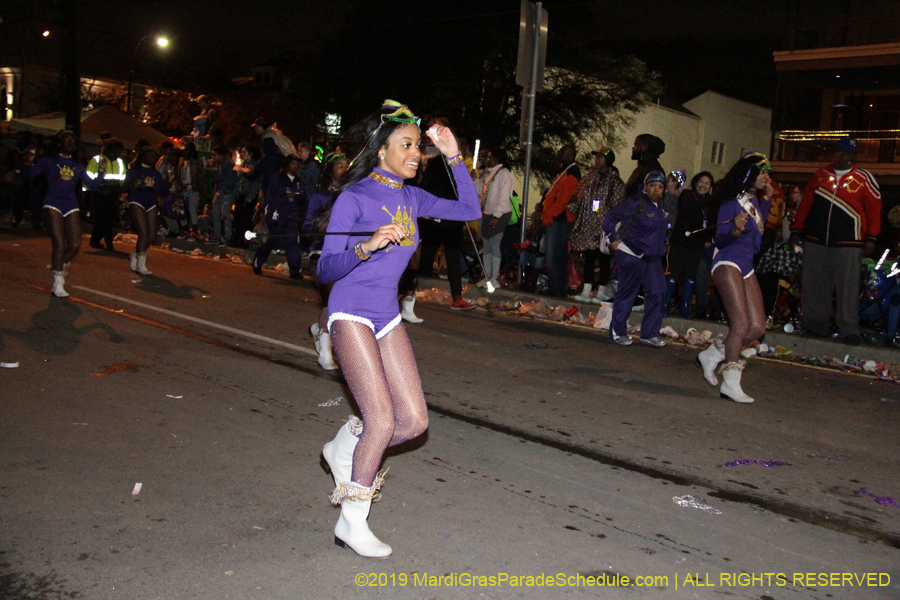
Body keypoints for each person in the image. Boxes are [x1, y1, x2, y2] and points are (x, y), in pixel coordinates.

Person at [317, 101, 480, 558]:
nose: (415, 153)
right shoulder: (355, 198)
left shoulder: (413, 197)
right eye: (406, 145)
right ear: (381, 150)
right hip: (349, 311)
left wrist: (452, 155)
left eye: (418, 147)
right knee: (382, 419)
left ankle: (342, 445)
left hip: (385, 314)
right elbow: (326, 269)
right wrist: (366, 246)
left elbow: (469, 207)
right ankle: (352, 522)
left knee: (413, 421)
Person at [696, 153, 773, 404]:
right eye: (762, 172)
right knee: (739, 325)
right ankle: (730, 383)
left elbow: (758, 242)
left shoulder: (754, 201)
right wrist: (735, 230)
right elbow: (720, 239)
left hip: (746, 266)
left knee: (757, 328)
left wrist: (768, 201)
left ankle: (712, 354)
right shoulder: (731, 201)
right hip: (727, 262)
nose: (766, 176)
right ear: (749, 174)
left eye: (767, 172)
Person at [789, 137, 881, 345]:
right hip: (816, 239)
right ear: (837, 153)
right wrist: (796, 230)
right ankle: (815, 326)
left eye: (853, 155)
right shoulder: (820, 176)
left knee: (847, 287)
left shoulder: (864, 178)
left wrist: (871, 238)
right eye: (846, 153)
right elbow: (806, 205)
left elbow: (874, 209)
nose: (849, 158)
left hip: (850, 243)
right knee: (814, 285)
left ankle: (849, 329)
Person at [22, 130, 107, 297]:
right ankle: (58, 282)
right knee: (59, 243)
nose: (70, 144)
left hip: (70, 204)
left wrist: (101, 171)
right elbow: (28, 176)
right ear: (59, 143)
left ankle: (61, 263)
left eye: (72, 141)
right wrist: (29, 161)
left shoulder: (77, 165)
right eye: (67, 141)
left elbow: (92, 186)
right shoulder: (49, 160)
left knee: (75, 244)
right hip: (52, 203)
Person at [602, 171, 670, 347]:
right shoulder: (636, 203)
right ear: (645, 187)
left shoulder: (660, 208)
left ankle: (649, 334)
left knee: (658, 291)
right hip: (631, 253)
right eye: (652, 185)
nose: (656, 190)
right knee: (627, 293)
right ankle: (617, 332)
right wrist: (612, 239)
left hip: (651, 257)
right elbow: (610, 217)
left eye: (660, 186)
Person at [414, 119, 476, 310]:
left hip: (448, 218)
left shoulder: (453, 164)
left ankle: (412, 291)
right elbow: (429, 188)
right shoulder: (440, 164)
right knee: (428, 255)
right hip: (439, 216)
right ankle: (409, 292)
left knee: (444, 255)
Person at [304, 153, 350, 371]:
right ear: (330, 169)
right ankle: (325, 351)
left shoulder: (352, 195)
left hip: (347, 257)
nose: (344, 169)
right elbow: (307, 228)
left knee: (340, 304)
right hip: (321, 255)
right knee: (329, 301)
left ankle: (318, 330)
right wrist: (320, 226)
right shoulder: (320, 197)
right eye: (339, 165)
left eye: (346, 166)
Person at [569, 147, 625, 303]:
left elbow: (618, 204)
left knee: (604, 258)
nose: (597, 160)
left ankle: (601, 290)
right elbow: (577, 198)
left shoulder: (615, 181)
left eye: (601, 157)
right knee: (589, 257)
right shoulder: (588, 179)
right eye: (597, 157)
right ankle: (587, 289)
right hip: (588, 225)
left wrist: (610, 224)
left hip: (604, 227)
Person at [665, 171, 715, 318]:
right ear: (695, 183)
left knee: (690, 275)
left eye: (707, 183)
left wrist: (708, 237)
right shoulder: (687, 195)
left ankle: (685, 308)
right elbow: (691, 209)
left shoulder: (711, 203)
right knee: (674, 272)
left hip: (697, 244)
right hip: (680, 241)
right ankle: (665, 305)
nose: (703, 185)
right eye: (701, 182)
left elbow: (712, 222)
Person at [252, 155, 305, 278]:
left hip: (291, 215)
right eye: (293, 163)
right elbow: (270, 194)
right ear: (287, 165)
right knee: (269, 241)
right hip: (277, 215)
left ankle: (295, 271)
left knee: (292, 243)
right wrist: (267, 212)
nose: (295, 166)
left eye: (297, 164)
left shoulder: (298, 181)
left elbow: (303, 197)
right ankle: (258, 263)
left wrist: (296, 196)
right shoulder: (278, 178)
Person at [122, 146, 169, 275]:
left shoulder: (156, 174)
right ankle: (141, 264)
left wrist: (169, 182)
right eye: (149, 156)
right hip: (137, 201)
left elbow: (161, 191)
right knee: (143, 233)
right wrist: (132, 185)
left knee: (151, 235)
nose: (152, 159)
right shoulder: (134, 170)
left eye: (154, 157)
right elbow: (124, 186)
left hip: (151, 203)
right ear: (143, 157)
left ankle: (135, 254)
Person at [541, 145, 580, 298]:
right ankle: (556, 288)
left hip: (561, 220)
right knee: (556, 256)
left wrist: (549, 215)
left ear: (572, 156)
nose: (560, 154)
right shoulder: (564, 171)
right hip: (556, 219)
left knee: (554, 256)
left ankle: (557, 290)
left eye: (565, 152)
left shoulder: (572, 172)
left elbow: (564, 199)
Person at [475, 147, 514, 292]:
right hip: (487, 213)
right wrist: (476, 179)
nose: (487, 159)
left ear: (497, 159)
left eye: (490, 157)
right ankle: (487, 276)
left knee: (494, 243)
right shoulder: (488, 174)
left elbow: (504, 197)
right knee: (486, 244)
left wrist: (496, 216)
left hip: (500, 214)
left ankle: (495, 278)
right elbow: (480, 192)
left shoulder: (504, 174)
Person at [87, 139, 126, 251]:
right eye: (118, 150)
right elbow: (89, 176)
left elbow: (122, 178)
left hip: (113, 193)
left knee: (105, 218)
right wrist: (91, 190)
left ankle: (95, 240)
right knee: (105, 218)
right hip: (100, 192)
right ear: (111, 150)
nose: (120, 153)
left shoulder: (119, 162)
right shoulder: (98, 160)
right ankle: (108, 241)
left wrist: (121, 193)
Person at [208, 146, 239, 246]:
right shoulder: (219, 164)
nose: (213, 157)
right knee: (215, 213)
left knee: (225, 215)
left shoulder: (229, 164)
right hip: (220, 191)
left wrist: (217, 171)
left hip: (227, 192)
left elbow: (229, 180)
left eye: (215, 155)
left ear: (221, 156)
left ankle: (227, 237)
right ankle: (217, 236)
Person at [624, 134, 665, 199]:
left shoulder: (652, 170)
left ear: (644, 147)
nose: (633, 148)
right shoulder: (643, 167)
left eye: (636, 145)